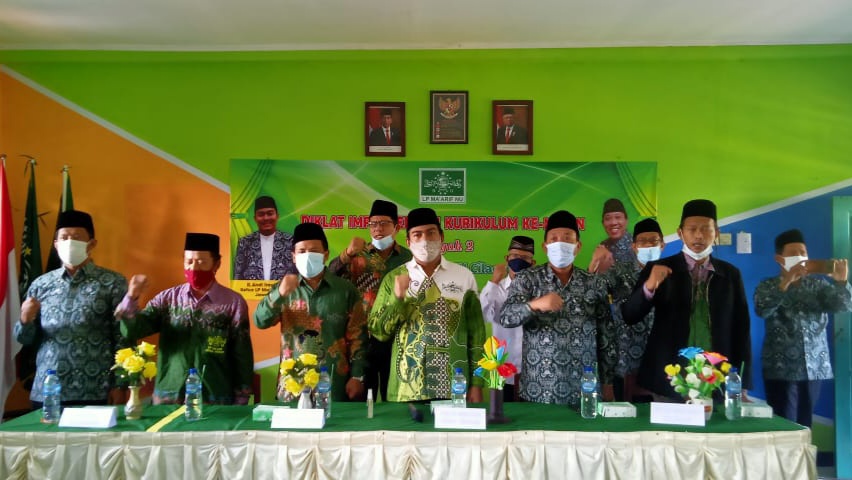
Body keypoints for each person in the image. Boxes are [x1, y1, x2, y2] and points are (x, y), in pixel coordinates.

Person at [622, 199, 751, 400]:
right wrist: (649, 286)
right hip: (670, 375)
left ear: (716, 233)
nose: (698, 235)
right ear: (680, 232)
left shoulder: (730, 274)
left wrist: (742, 383)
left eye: (706, 229)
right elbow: (630, 315)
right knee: (669, 422)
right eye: (691, 229)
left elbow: (742, 329)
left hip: (716, 376)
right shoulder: (659, 268)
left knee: (715, 421)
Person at [116, 233, 254, 404]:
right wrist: (131, 297)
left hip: (214, 395)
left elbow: (242, 352)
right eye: (189, 261)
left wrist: (242, 394)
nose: (194, 268)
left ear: (216, 264)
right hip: (170, 394)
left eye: (202, 262)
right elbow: (132, 330)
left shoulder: (233, 303)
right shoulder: (167, 299)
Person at [368, 207, 486, 403]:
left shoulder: (464, 276)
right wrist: (397, 299)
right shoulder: (394, 278)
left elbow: (477, 335)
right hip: (406, 389)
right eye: (417, 234)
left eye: (431, 233)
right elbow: (379, 332)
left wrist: (477, 383)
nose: (425, 240)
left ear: (441, 236)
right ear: (408, 242)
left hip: (454, 387)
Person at [15, 210, 127, 407]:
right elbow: (25, 339)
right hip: (48, 390)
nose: (69, 242)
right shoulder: (41, 284)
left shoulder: (112, 282)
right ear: (56, 244)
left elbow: (123, 336)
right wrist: (25, 320)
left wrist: (120, 384)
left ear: (92, 243)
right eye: (64, 237)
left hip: (95, 389)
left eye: (76, 237)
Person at [499, 210, 612, 406]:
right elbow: (506, 317)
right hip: (538, 390)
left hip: (585, 390)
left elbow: (606, 335)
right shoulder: (528, 279)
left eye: (567, 238)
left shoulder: (594, 283)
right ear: (545, 247)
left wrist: (608, 382)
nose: (560, 244)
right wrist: (534, 305)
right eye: (554, 239)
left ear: (577, 246)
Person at [254, 222, 368, 402]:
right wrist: (279, 295)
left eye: (314, 251)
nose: (307, 255)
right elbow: (260, 321)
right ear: (293, 256)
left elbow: (358, 337)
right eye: (301, 251)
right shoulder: (283, 288)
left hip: (333, 383)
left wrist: (357, 376)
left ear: (325, 255)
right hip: (292, 384)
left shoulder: (345, 290)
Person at [755, 229, 851, 426]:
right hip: (780, 368)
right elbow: (762, 309)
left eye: (803, 252)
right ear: (779, 259)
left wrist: (841, 282)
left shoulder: (818, 285)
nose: (800, 257)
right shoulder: (768, 285)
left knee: (805, 423)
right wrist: (787, 281)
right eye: (793, 253)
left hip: (815, 366)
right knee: (784, 423)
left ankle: (806, 448)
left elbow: (843, 305)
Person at [328, 199, 412, 402]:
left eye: (384, 223)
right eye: (373, 224)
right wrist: (347, 254)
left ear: (396, 228)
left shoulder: (408, 258)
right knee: (364, 396)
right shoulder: (358, 255)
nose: (378, 229)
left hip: (397, 336)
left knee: (396, 395)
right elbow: (329, 278)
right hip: (364, 336)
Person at [600, 218, 665, 402]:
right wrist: (595, 266)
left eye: (653, 241)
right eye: (643, 241)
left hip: (664, 365)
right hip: (625, 363)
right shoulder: (619, 272)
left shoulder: (672, 272)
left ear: (662, 245)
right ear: (634, 247)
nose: (648, 245)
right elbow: (596, 290)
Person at [479, 235, 536, 401]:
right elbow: (482, 315)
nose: (519, 261)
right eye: (515, 256)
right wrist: (494, 281)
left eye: (525, 258)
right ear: (507, 259)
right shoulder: (496, 289)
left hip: (534, 370)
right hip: (503, 369)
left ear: (532, 263)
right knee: (502, 413)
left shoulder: (539, 289)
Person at [233, 196, 296, 280]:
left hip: (283, 289)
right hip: (251, 289)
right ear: (255, 218)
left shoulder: (290, 241)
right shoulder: (244, 242)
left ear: (277, 216)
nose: (266, 218)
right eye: (261, 214)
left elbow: (297, 274)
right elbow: (238, 275)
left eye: (270, 213)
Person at [589, 198, 636, 274]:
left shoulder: (637, 244)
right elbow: (591, 278)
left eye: (618, 217)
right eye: (608, 219)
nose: (613, 222)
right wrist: (593, 263)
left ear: (626, 221)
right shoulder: (603, 246)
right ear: (603, 223)